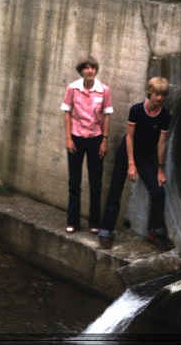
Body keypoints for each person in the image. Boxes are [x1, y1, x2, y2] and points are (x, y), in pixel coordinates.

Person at [98, 77, 173, 252]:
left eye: (163, 95)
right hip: (126, 153)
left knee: (158, 191)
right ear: (149, 93)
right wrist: (131, 165)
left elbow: (161, 143)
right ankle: (106, 231)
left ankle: (154, 232)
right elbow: (129, 138)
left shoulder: (164, 115)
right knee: (115, 190)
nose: (159, 98)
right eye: (156, 94)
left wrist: (160, 169)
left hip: (145, 156)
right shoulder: (137, 110)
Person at [60, 55, 113, 234]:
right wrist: (68, 139)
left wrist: (104, 140)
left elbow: (106, 116)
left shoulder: (104, 90)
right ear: (81, 71)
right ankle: (73, 221)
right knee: (74, 182)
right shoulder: (72, 89)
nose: (90, 71)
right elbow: (67, 113)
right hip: (76, 137)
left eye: (93, 68)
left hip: (96, 139)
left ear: (96, 71)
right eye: (86, 68)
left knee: (95, 183)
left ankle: (94, 222)